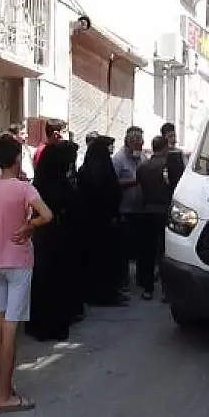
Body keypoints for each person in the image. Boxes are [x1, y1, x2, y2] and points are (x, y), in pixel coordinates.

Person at [0, 134, 53, 413]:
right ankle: (4, 393)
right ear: (17, 158)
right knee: (12, 325)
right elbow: (47, 215)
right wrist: (30, 225)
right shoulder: (24, 189)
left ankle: (4, 386)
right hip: (19, 261)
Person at [26, 139, 82, 341]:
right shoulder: (62, 184)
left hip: (43, 237)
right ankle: (56, 325)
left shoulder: (39, 184)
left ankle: (40, 324)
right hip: (59, 236)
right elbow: (72, 206)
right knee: (58, 280)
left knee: (43, 280)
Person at [77, 131, 126, 306]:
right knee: (108, 260)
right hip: (107, 223)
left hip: (89, 223)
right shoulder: (106, 172)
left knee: (92, 260)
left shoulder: (84, 171)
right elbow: (113, 194)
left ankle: (91, 293)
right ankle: (108, 293)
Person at [133, 136, 172, 300]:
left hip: (147, 210)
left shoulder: (143, 166)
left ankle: (147, 288)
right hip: (164, 210)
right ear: (165, 148)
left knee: (147, 250)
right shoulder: (168, 165)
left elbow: (139, 186)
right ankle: (166, 290)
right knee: (165, 251)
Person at [112, 126, 145, 293]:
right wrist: (133, 182)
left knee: (140, 246)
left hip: (140, 209)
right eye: (138, 144)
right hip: (125, 209)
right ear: (130, 143)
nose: (141, 146)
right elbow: (113, 182)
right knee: (124, 247)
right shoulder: (118, 159)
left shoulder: (142, 157)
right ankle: (123, 279)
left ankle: (141, 277)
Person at [160, 122, 186, 190]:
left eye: (174, 136)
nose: (173, 139)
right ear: (164, 137)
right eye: (170, 136)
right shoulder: (161, 153)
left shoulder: (180, 152)